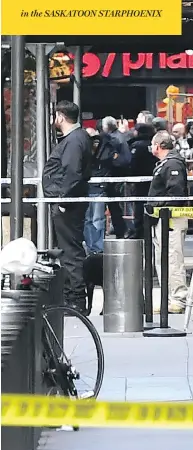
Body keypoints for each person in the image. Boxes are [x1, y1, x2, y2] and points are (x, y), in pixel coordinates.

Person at [42, 101, 92, 313]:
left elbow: (72, 172)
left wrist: (63, 200)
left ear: (60, 117)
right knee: (69, 250)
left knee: (70, 252)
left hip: (67, 204)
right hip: (67, 202)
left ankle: (76, 300)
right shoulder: (76, 139)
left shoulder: (73, 141)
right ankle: (74, 296)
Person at [147, 131, 189, 314]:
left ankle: (178, 299)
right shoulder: (166, 164)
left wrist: (158, 206)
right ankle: (168, 298)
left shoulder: (172, 164)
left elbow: (175, 192)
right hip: (162, 218)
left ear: (158, 146)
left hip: (170, 218)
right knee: (163, 260)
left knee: (172, 258)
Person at [83, 127, 120, 253]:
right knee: (90, 219)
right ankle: (91, 246)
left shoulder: (105, 150)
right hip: (89, 188)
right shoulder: (88, 150)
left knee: (96, 219)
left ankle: (97, 248)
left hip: (98, 188)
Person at [102, 116, 132, 238]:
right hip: (121, 175)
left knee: (117, 207)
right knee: (120, 206)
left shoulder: (113, 140)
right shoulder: (122, 137)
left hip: (116, 176)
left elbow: (117, 159)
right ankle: (123, 229)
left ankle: (123, 230)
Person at [126, 123, 157, 239]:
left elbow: (132, 164)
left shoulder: (136, 146)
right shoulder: (153, 144)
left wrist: (129, 176)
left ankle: (139, 230)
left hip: (139, 181)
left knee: (139, 206)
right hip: (154, 180)